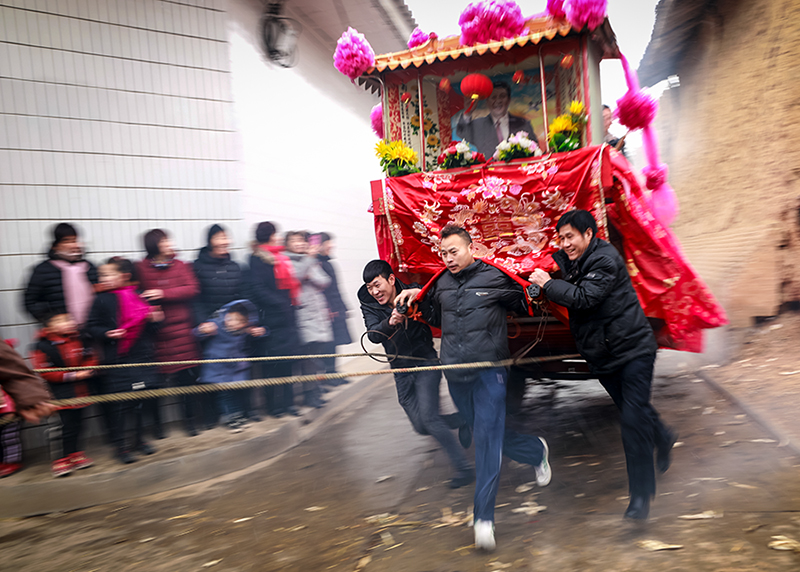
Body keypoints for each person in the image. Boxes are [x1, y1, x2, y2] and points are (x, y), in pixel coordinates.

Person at [395, 225, 551, 552]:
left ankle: (483, 519)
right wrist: (412, 297)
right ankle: (536, 451)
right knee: (487, 433)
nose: (448, 259)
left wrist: (537, 291)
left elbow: (526, 302)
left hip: (490, 372)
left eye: (454, 251)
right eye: (443, 253)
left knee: (486, 439)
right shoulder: (440, 284)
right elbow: (428, 309)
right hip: (456, 372)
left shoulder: (494, 277)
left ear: (471, 248)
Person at [529, 209, 676, 520]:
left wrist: (546, 283)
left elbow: (584, 298)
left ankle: (640, 498)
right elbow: (559, 265)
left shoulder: (604, 260)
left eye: (570, 237)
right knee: (633, 410)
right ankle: (663, 437)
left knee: (631, 424)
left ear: (589, 235)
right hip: (606, 356)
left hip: (633, 352)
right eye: (561, 238)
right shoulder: (576, 260)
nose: (565, 243)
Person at [358, 260, 473, 488]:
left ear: (391, 279)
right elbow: (372, 335)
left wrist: (418, 299)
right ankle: (465, 419)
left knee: (430, 419)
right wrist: (390, 322)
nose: (374, 291)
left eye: (377, 284)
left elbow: (437, 314)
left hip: (426, 363)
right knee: (421, 426)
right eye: (370, 287)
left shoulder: (412, 292)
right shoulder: (369, 303)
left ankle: (464, 469)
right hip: (400, 370)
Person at [87, 258, 163, 464]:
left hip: (141, 357)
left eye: (109, 275)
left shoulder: (140, 296)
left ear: (124, 276)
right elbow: (90, 327)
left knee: (139, 402)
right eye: (102, 276)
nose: (104, 279)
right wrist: (107, 333)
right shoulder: (100, 299)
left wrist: (156, 320)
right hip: (116, 360)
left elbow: (152, 329)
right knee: (120, 405)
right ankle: (120, 447)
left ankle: (138, 440)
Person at [136, 229, 201, 436]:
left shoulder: (181, 265)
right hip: (156, 333)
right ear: (154, 246)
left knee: (186, 382)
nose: (169, 243)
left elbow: (192, 288)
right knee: (154, 385)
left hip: (183, 330)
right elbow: (135, 294)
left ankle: (190, 422)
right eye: (164, 241)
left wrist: (163, 293)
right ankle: (157, 427)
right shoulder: (141, 268)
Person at [193, 224, 251, 424]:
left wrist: (243, 321)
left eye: (226, 237)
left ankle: (237, 413)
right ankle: (212, 417)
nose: (225, 242)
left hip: (235, 328)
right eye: (219, 237)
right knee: (213, 374)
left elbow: (243, 295)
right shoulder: (198, 266)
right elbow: (197, 299)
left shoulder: (235, 266)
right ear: (210, 241)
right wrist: (205, 323)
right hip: (212, 329)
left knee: (237, 372)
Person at [30, 313, 98, 477]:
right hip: (58, 394)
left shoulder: (81, 339)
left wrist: (86, 370)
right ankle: (60, 460)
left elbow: (91, 357)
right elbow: (45, 371)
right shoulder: (42, 345)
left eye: (69, 319)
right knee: (62, 428)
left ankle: (75, 454)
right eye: (62, 321)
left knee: (79, 425)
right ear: (50, 326)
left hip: (82, 391)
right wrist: (74, 375)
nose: (69, 323)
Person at [248, 222, 301, 417]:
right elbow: (257, 288)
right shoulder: (257, 259)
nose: (277, 238)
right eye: (275, 234)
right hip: (270, 319)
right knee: (272, 367)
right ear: (269, 236)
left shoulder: (280, 257)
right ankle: (273, 406)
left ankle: (289, 403)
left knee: (288, 364)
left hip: (286, 318)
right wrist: (280, 302)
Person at [194, 300, 266, 432]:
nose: (232, 322)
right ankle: (230, 418)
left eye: (239, 321)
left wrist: (261, 331)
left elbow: (261, 332)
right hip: (218, 369)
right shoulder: (216, 325)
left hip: (234, 370)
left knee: (235, 394)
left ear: (245, 323)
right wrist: (202, 330)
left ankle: (236, 415)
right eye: (230, 318)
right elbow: (196, 333)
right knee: (225, 395)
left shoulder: (244, 331)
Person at [284, 231, 331, 409]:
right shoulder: (286, 260)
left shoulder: (306, 260)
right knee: (308, 358)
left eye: (301, 240)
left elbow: (324, 280)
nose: (299, 244)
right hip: (302, 315)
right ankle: (309, 394)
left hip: (317, 313)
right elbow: (295, 276)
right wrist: (309, 264)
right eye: (294, 241)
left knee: (316, 356)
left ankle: (315, 391)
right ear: (287, 244)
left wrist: (308, 271)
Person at [24, 223, 98, 327]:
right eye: (67, 241)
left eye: (75, 240)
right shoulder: (43, 270)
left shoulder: (90, 267)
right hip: (62, 333)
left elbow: (102, 297)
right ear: (55, 246)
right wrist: (51, 320)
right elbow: (30, 302)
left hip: (92, 330)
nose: (74, 245)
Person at [456, 81, 539, 159]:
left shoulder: (522, 123)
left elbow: (535, 148)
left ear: (509, 99)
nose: (498, 101)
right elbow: (461, 132)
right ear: (487, 101)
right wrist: (468, 113)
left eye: (502, 96)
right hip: (488, 173)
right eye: (493, 97)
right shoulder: (479, 125)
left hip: (519, 172)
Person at [315, 233, 352, 387]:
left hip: (335, 308)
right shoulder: (317, 263)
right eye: (328, 243)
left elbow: (336, 288)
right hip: (327, 311)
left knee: (335, 343)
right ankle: (326, 376)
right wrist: (328, 308)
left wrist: (342, 306)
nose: (331, 246)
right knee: (327, 345)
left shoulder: (327, 262)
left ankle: (333, 372)